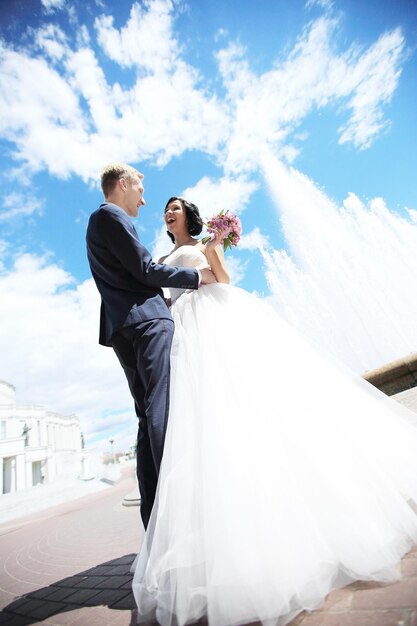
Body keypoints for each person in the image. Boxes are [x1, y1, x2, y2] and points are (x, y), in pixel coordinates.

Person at [132, 196, 417, 626]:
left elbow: (222, 278)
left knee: (248, 404)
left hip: (214, 321)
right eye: (165, 210)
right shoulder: (161, 258)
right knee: (205, 432)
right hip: (183, 335)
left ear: (189, 216)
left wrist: (214, 249)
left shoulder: (203, 243)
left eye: (176, 208)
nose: (169, 213)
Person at [86, 165, 215, 529]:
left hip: (122, 327)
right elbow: (144, 270)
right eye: (140, 190)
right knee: (162, 407)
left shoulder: (97, 225)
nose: (144, 200)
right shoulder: (110, 217)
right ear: (123, 184)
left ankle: (155, 515)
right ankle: (181, 513)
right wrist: (195, 277)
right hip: (146, 321)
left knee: (147, 416)